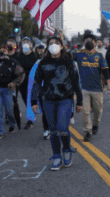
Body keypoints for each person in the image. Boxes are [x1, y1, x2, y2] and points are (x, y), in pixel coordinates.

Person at [31, 36, 83, 171]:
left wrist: (80, 102)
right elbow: (36, 82)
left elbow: (76, 82)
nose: (53, 45)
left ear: (61, 46)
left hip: (65, 99)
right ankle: (56, 156)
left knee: (62, 129)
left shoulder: (69, 62)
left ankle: (66, 150)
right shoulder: (42, 63)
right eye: (51, 43)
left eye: (56, 43)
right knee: (53, 130)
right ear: (48, 47)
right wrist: (34, 101)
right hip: (48, 100)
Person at [0, 41, 24, 139]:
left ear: (8, 52)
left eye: (5, 49)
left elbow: (21, 74)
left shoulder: (13, 62)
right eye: (1, 49)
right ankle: (0, 131)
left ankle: (12, 124)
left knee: (9, 110)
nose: (3, 51)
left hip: (8, 90)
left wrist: (14, 83)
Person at [75, 34, 109, 141]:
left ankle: (95, 124)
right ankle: (87, 131)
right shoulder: (79, 55)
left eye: (91, 40)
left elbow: (105, 70)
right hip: (84, 88)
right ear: (84, 43)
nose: (89, 42)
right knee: (86, 111)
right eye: (87, 41)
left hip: (97, 88)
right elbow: (64, 54)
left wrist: (109, 83)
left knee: (98, 110)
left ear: (94, 43)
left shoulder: (99, 56)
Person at [12, 37, 39, 130]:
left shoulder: (35, 55)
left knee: (31, 99)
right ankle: (32, 112)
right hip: (22, 81)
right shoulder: (18, 55)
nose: (26, 43)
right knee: (25, 99)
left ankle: (30, 119)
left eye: (27, 42)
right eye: (24, 42)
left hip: (33, 81)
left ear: (31, 44)